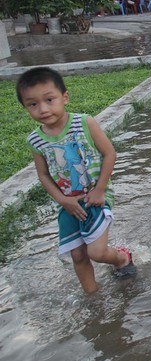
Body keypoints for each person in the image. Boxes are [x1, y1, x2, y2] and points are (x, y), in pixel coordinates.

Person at [15, 67, 137, 294]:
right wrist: (63, 200)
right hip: (68, 203)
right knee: (78, 254)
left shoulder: (84, 123)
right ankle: (93, 298)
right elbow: (43, 175)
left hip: (95, 196)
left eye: (49, 99)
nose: (43, 109)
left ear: (65, 97)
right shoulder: (36, 140)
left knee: (97, 253)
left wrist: (100, 190)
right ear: (25, 107)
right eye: (33, 104)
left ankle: (121, 259)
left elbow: (109, 153)